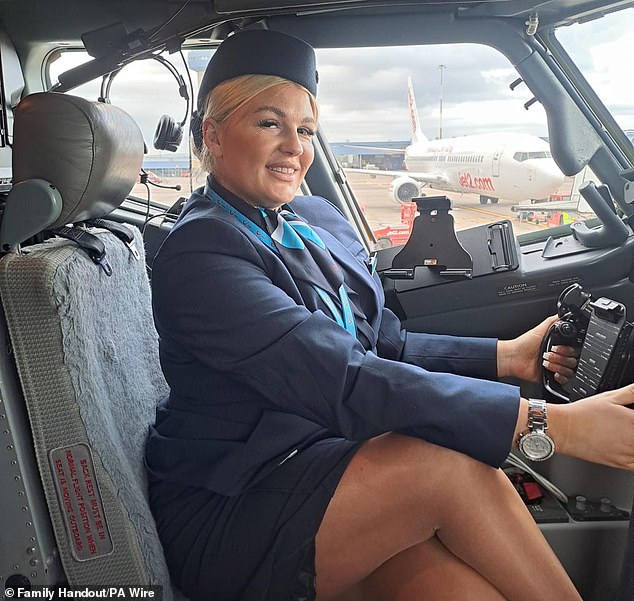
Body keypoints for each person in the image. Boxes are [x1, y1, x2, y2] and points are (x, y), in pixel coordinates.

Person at [145, 29, 634, 601]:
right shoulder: (203, 252)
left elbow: (384, 343)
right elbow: (345, 378)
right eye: (269, 123)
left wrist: (509, 357)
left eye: (305, 130)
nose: (294, 147)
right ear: (214, 133)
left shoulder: (313, 219)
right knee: (447, 464)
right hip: (237, 503)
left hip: (330, 469)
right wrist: (552, 426)